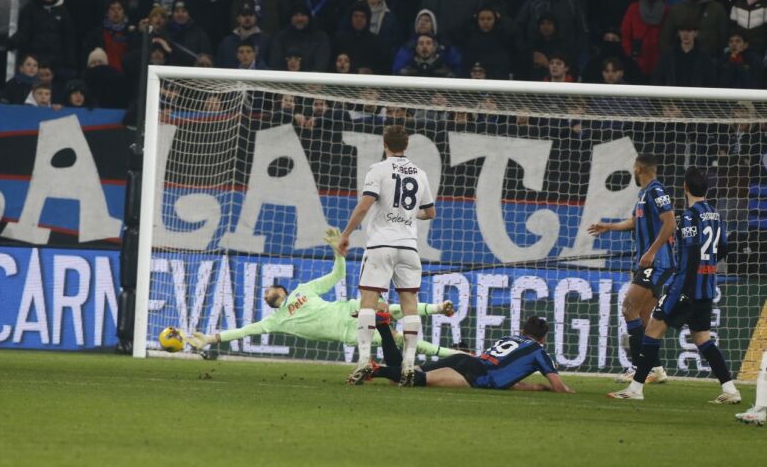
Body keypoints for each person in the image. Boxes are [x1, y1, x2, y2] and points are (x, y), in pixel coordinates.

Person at [186, 229, 458, 358]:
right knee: (399, 339)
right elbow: (243, 331)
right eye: (265, 292)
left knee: (390, 308)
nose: (266, 292)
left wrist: (337, 252)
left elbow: (336, 276)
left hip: (348, 308)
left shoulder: (304, 290)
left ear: (281, 289)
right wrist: (210, 338)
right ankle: (455, 356)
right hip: (348, 333)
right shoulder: (275, 321)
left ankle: (437, 308)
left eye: (268, 289)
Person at [610, 167, 737, 403]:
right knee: (703, 339)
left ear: (685, 188)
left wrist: (685, 290)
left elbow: (693, 252)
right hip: (707, 287)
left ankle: (635, 389)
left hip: (685, 288)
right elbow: (724, 249)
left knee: (651, 331)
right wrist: (709, 266)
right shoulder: (715, 214)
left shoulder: (689, 217)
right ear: (706, 189)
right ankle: (730, 389)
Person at [339, 125, 435, 386]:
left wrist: (346, 233)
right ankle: (408, 365)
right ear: (406, 145)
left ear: (385, 144)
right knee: (410, 304)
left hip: (381, 245)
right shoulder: (420, 173)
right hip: (409, 247)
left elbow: (365, 204)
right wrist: (407, 213)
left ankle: (363, 362)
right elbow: (430, 212)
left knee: (368, 300)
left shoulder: (378, 170)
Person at [588, 154, 675, 384]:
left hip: (656, 262)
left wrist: (652, 251)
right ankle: (655, 368)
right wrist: (609, 227)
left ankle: (639, 368)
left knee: (628, 308)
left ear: (638, 168)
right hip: (651, 262)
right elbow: (635, 223)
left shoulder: (656, 191)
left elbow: (670, 222)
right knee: (644, 318)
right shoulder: (644, 194)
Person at [372, 316, 574, 393]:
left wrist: (536, 387)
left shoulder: (507, 338)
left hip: (467, 360)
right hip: (476, 374)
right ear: (543, 338)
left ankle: (383, 327)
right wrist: (564, 390)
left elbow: (508, 377)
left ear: (522, 331)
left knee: (400, 375)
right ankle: (376, 370)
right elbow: (559, 387)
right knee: (408, 379)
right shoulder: (539, 351)